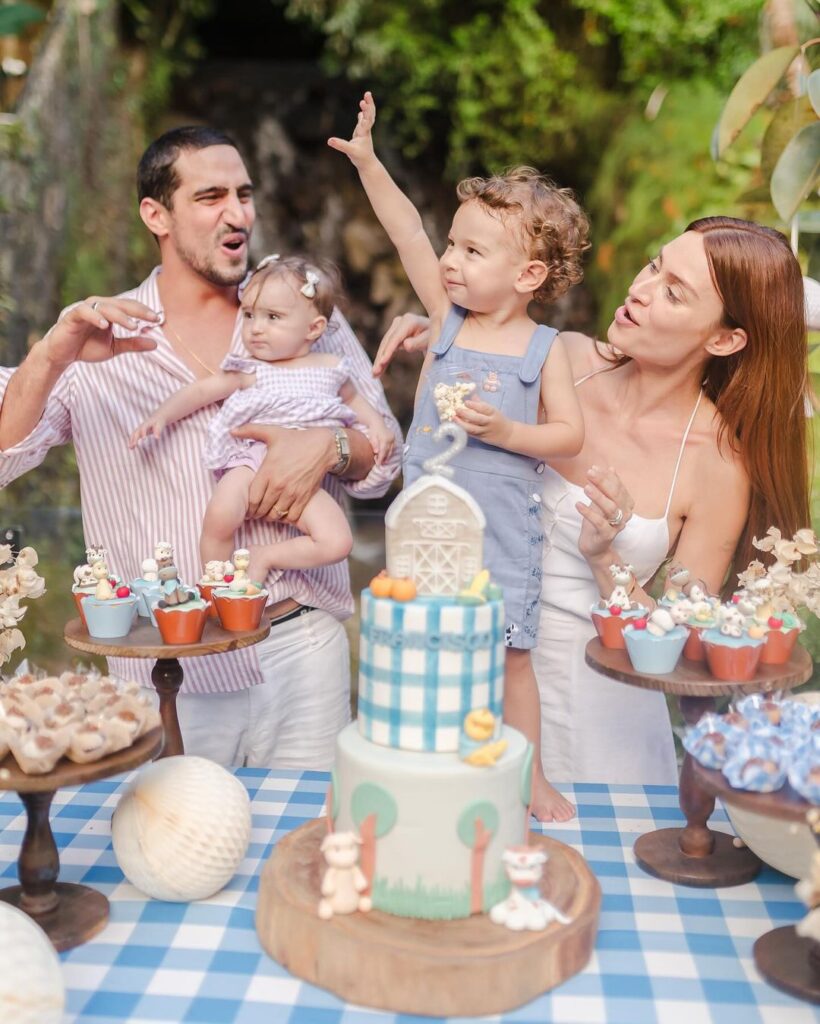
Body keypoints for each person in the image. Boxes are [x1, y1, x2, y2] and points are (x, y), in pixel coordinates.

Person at [0, 125, 402, 769]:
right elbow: (4, 455)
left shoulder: (301, 311)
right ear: (156, 214)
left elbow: (385, 461)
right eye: (211, 196)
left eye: (244, 194)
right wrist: (52, 353)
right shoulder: (93, 337)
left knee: (307, 857)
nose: (238, 213)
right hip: (164, 665)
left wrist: (328, 446)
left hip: (299, 650)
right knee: (174, 861)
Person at [374, 216, 810, 785]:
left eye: (673, 293)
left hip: (599, 709)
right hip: (476, 663)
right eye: (654, 265)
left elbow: (679, 645)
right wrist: (449, 329)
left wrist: (607, 561)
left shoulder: (717, 462)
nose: (640, 288)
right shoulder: (565, 359)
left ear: (724, 339)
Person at [330, 93, 587, 821]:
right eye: (453, 245)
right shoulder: (445, 322)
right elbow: (404, 229)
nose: (448, 261)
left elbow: (568, 436)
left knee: (511, 661)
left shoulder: (544, 350)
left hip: (505, 529)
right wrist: (370, 163)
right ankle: (421, 752)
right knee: (418, 641)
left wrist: (508, 432)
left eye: (472, 252)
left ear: (530, 276)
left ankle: (529, 777)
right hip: (423, 527)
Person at [130, 253, 395, 583]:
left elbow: (355, 400)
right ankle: (215, 584)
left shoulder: (331, 367)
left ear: (314, 328)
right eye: (249, 315)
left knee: (337, 541)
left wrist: (378, 427)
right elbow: (202, 392)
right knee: (219, 516)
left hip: (304, 475)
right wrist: (162, 415)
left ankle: (266, 556)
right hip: (250, 461)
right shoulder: (252, 370)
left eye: (272, 317)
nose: (256, 328)